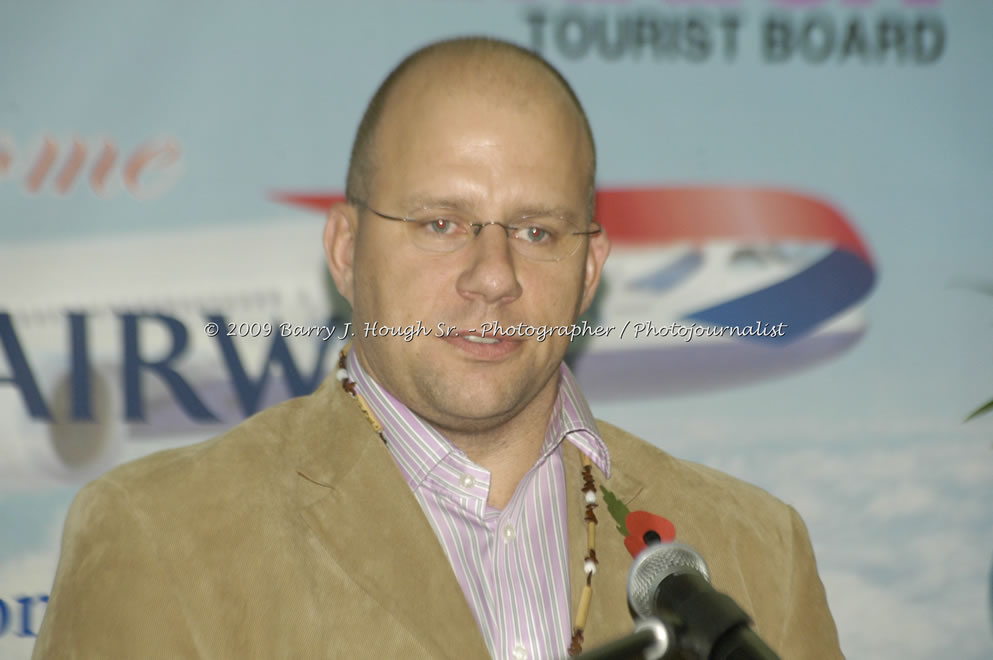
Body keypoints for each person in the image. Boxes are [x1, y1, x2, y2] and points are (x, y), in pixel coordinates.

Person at [33, 37, 842, 659]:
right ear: (345, 249)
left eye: (536, 231)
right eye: (440, 225)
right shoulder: (159, 536)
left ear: (589, 268)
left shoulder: (754, 551)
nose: (492, 277)